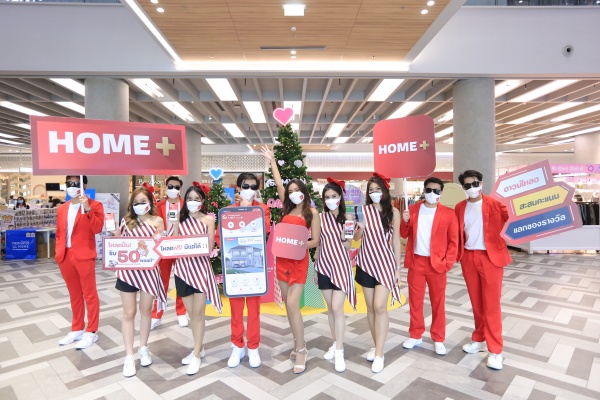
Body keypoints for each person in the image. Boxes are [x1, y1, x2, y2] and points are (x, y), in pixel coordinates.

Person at [262, 146, 320, 374]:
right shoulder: (287, 209)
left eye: (297, 190)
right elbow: (278, 183)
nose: (294, 193)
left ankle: (302, 349)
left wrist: (298, 244)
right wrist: (272, 161)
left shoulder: (311, 213)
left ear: (304, 191)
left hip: (298, 262)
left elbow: (316, 240)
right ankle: (297, 343)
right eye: (291, 191)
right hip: (282, 262)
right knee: (288, 305)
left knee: (294, 305)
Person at [455, 170, 511, 370]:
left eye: (475, 183)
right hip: (469, 258)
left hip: (490, 258)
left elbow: (513, 220)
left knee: (491, 305)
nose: (472, 188)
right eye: (467, 185)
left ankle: (495, 350)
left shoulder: (496, 204)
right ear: (463, 188)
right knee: (477, 303)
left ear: (481, 183)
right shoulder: (459, 207)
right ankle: (479, 339)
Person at [217, 172, 271, 369]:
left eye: (253, 187)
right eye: (245, 186)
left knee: (254, 310)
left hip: (255, 268)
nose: (249, 190)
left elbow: (264, 230)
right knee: (236, 309)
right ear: (238, 188)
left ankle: (253, 346)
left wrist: (248, 210)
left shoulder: (263, 209)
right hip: (235, 269)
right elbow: (219, 236)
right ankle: (237, 345)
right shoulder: (227, 212)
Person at [400, 177, 458, 356]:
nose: (432, 193)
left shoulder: (448, 213)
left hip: (437, 265)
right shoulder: (412, 210)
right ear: (424, 191)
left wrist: (447, 263)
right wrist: (405, 221)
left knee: (438, 302)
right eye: (429, 190)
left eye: (436, 191)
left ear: (441, 193)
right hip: (416, 262)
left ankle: (438, 338)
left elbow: (453, 242)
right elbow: (403, 234)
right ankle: (415, 334)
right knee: (415, 302)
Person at [114, 186, 167, 377]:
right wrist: (114, 234)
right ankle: (129, 356)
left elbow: (161, 245)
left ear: (150, 203)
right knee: (129, 313)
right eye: (136, 202)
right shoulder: (126, 221)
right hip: (128, 272)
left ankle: (143, 347)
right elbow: (118, 243)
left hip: (149, 271)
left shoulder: (157, 221)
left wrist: (160, 238)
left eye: (143, 202)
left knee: (146, 311)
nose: (139, 205)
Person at [353, 173, 402, 373]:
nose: (374, 193)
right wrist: (360, 228)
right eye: (371, 190)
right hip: (365, 263)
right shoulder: (362, 210)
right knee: (371, 308)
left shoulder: (393, 212)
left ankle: (380, 354)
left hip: (385, 264)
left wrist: (398, 268)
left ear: (385, 191)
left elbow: (396, 241)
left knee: (380, 306)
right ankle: (376, 346)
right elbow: (356, 238)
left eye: (377, 189)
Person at [172, 183, 222, 375]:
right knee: (192, 314)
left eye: (196, 199)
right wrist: (173, 224)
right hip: (182, 270)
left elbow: (209, 246)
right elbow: (174, 243)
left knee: (199, 313)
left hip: (201, 270)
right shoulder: (180, 219)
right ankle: (198, 348)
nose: (193, 202)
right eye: (190, 199)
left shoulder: (208, 220)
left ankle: (196, 355)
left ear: (202, 200)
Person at [55, 175, 104, 349]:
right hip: (65, 256)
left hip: (84, 255)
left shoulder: (95, 205)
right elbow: (60, 232)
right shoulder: (62, 208)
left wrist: (88, 208)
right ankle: (77, 328)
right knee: (74, 294)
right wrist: (58, 251)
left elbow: (97, 228)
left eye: (76, 183)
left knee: (89, 294)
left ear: (84, 185)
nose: (72, 186)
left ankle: (92, 331)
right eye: (69, 183)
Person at [314, 177, 356, 373]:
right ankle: (335, 342)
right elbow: (317, 244)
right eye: (327, 197)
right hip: (324, 266)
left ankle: (339, 351)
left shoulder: (348, 219)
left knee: (338, 308)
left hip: (341, 267)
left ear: (340, 198)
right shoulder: (319, 218)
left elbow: (348, 246)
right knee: (330, 309)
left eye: (334, 196)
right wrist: (316, 268)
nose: (331, 200)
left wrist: (345, 236)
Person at [151, 176, 188, 329]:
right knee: (161, 282)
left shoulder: (186, 205)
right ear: (166, 187)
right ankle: (157, 314)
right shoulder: (158, 205)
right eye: (170, 186)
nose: (173, 189)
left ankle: (181, 312)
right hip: (164, 248)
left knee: (181, 281)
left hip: (180, 247)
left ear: (180, 189)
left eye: (176, 187)